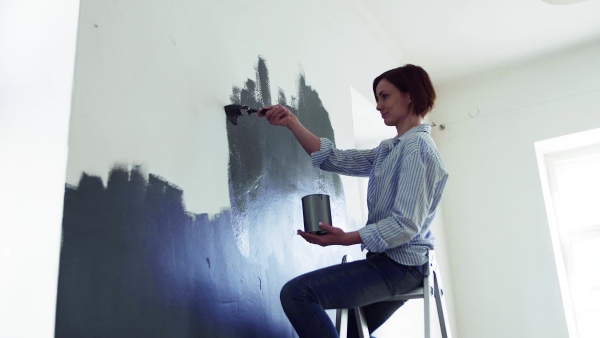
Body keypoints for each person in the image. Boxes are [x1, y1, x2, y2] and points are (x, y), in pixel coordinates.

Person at [258, 64, 448, 338]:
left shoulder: (417, 148)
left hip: (401, 266)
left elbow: (405, 225)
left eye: (385, 96)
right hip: (389, 263)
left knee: (298, 294)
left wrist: (344, 238)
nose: (378, 106)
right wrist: (291, 122)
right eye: (377, 98)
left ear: (410, 95)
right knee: (351, 334)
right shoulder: (391, 149)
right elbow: (335, 158)